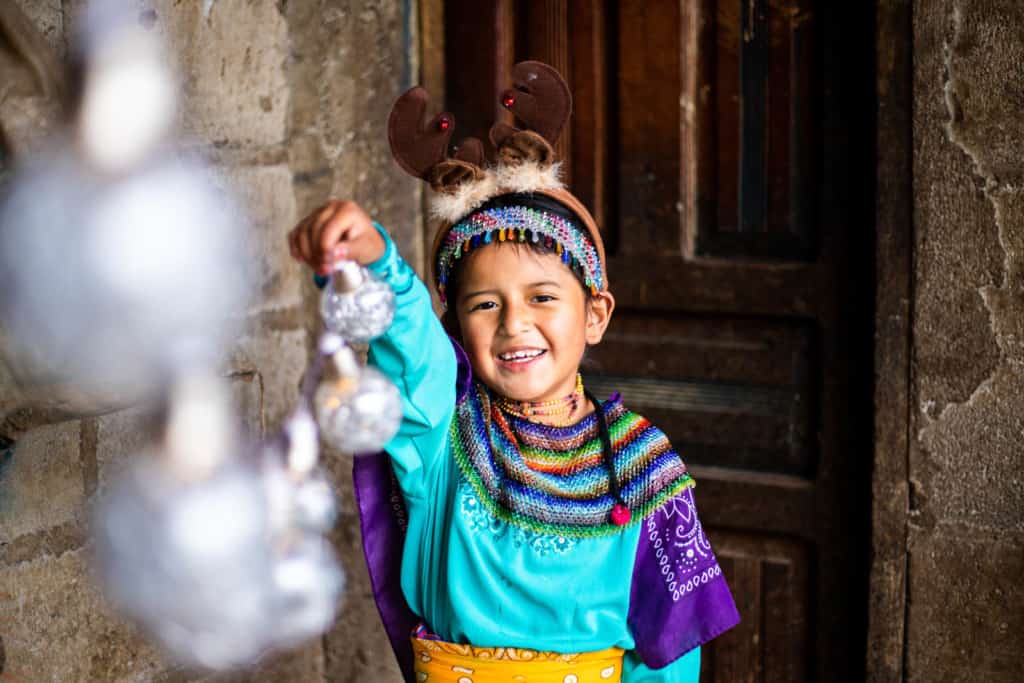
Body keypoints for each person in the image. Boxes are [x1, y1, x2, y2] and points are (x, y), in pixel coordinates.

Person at [288, 61, 739, 683]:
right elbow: (411, 342)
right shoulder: (442, 438)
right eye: (485, 304)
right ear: (456, 327)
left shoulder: (644, 464)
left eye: (543, 297)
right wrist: (378, 262)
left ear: (595, 314)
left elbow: (670, 648)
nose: (514, 324)